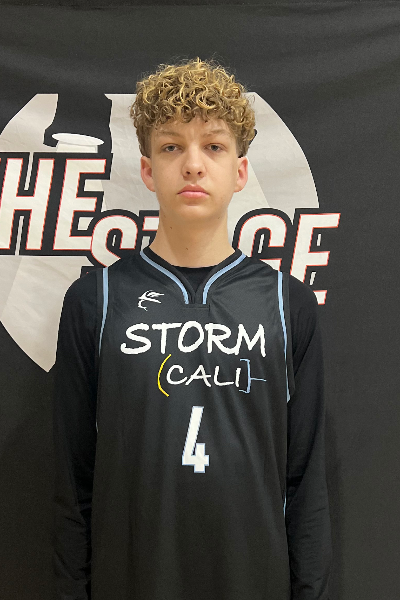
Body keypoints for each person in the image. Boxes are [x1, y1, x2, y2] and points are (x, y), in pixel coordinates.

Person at [53, 56, 332, 600]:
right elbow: (73, 483)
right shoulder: (96, 301)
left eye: (214, 146)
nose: (193, 165)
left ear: (241, 171)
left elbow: (305, 482)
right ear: (147, 170)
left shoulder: (286, 303)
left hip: (252, 580)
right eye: (171, 147)